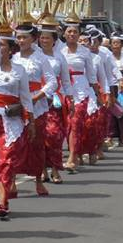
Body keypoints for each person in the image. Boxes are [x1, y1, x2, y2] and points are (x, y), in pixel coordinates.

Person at [0, 26, 33, 217]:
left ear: (9, 48)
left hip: (10, 120)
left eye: (1, 45)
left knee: (5, 160)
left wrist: (30, 120)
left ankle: (2, 201)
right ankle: (3, 190)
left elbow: (25, 97)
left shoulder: (19, 70)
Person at [12, 22, 57, 195]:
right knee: (15, 144)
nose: (21, 40)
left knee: (37, 144)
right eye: (18, 37)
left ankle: (38, 180)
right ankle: (12, 181)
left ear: (33, 39)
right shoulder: (12, 58)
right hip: (16, 106)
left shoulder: (41, 58)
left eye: (25, 37)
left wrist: (36, 97)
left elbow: (52, 82)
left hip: (36, 106)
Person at [37, 18, 72, 183]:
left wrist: (69, 98)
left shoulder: (59, 57)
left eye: (47, 38)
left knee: (55, 135)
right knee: (40, 136)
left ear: (54, 40)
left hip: (55, 100)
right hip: (37, 100)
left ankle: (56, 168)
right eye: (42, 37)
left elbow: (66, 80)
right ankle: (42, 170)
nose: (44, 40)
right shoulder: (34, 57)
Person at [62, 22, 99, 172]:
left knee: (76, 123)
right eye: (69, 31)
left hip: (81, 90)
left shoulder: (85, 52)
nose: (72, 34)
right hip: (64, 89)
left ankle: (72, 157)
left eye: (75, 32)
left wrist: (97, 94)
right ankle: (75, 152)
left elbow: (91, 75)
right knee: (66, 125)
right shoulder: (59, 51)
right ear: (64, 34)